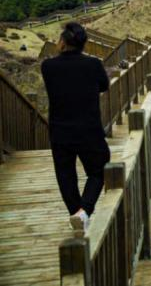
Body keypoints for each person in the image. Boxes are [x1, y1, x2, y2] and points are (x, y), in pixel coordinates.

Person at [41, 22, 110, 234]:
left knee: (65, 175)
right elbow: (104, 86)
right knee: (99, 170)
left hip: (60, 131)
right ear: (83, 43)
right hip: (89, 129)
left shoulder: (48, 67)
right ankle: (84, 211)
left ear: (62, 41)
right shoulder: (93, 65)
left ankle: (76, 213)